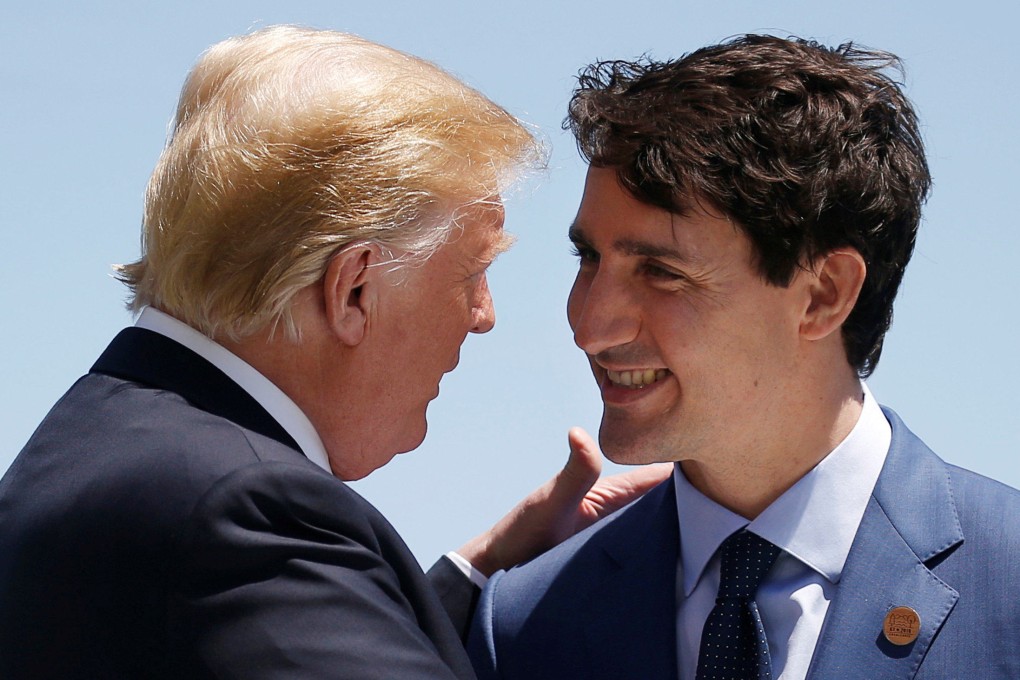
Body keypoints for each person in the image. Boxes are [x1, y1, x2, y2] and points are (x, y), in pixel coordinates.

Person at [0, 26, 668, 679]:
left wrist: (471, 576)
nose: (484, 316)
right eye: (470, 275)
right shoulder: (247, 511)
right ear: (352, 289)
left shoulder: (98, 446)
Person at [468, 35, 1020, 679]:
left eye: (662, 272)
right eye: (589, 258)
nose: (589, 326)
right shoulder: (523, 627)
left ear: (823, 294)